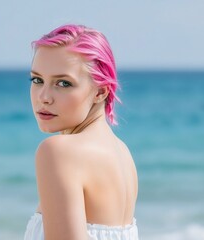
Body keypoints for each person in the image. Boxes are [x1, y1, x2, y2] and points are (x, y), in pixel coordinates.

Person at [23, 24, 139, 240]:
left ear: (101, 92)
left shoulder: (58, 152)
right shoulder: (122, 155)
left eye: (63, 83)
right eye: (37, 80)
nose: (44, 97)